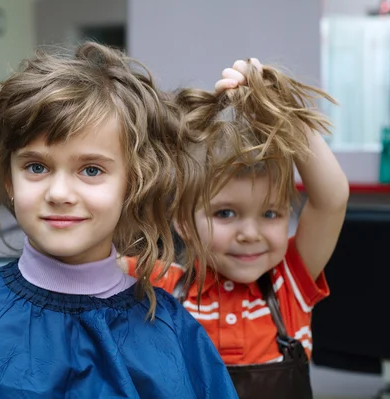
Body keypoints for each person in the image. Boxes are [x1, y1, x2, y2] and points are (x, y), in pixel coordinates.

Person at [0, 42, 238, 398]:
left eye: (91, 170)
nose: (59, 193)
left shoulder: (170, 329)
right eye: (36, 167)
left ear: (133, 184)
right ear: (10, 181)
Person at [123, 59, 349, 398]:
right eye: (226, 213)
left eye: (270, 214)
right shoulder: (159, 286)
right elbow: (88, 263)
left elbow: (331, 200)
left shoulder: (291, 284)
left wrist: (281, 111)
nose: (250, 233)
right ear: (184, 221)